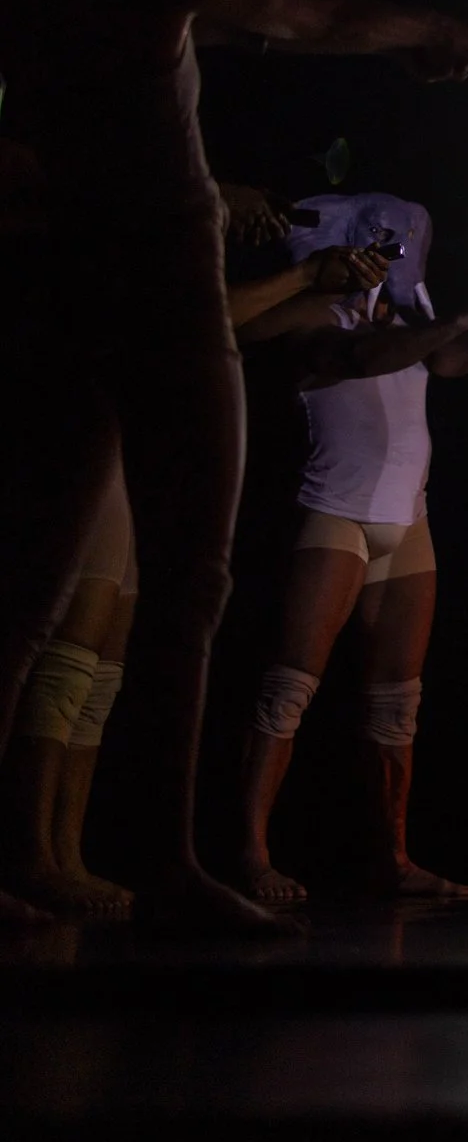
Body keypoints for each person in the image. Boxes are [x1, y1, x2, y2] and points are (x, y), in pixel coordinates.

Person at [0, 0, 468, 928]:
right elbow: (289, 9)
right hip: (159, 270)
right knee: (190, 577)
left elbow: (234, 21)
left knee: (31, 585)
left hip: (69, 269)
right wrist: (425, 28)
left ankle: (105, 857)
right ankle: (171, 862)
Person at [0, 218, 388, 915]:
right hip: (85, 424)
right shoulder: (120, 230)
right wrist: (304, 274)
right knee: (67, 657)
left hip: (129, 438)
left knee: (101, 669)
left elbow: (233, 327)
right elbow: (182, 321)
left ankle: (63, 852)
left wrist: (323, 290)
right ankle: (30, 853)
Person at [236, 195, 468, 902]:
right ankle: (249, 851)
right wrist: (459, 318)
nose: (396, 251)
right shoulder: (311, 317)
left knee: (397, 701)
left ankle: (392, 858)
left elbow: (453, 361)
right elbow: (360, 358)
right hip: (336, 514)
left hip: (409, 520)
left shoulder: (407, 320)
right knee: (289, 689)